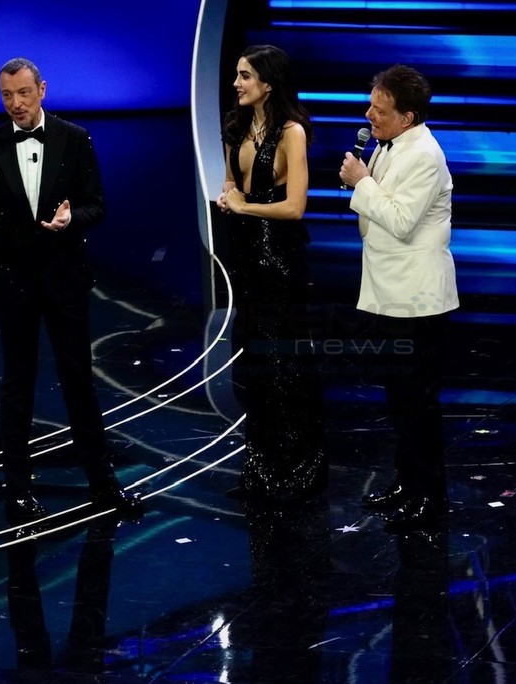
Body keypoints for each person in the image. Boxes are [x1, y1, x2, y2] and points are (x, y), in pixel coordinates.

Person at [0, 57, 140, 525]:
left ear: (42, 90)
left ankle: (103, 485)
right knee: (17, 385)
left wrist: (70, 220)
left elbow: (96, 206)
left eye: (23, 93)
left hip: (64, 279)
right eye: (7, 96)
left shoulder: (74, 138)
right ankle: (19, 493)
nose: (16, 104)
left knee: (78, 380)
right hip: (12, 281)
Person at [338, 64, 459, 532]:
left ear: (407, 116)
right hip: (390, 293)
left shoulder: (425, 154)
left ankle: (429, 497)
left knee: (417, 403)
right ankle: (407, 484)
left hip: (416, 299)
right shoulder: (391, 144)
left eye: (380, 110)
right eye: (370, 106)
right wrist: (365, 179)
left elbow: (402, 220)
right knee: (399, 400)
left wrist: (361, 181)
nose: (369, 116)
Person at [216, 44, 327, 502]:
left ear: (268, 82)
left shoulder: (291, 132)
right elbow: (232, 183)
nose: (237, 83)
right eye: (237, 74)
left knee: (284, 366)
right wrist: (228, 197)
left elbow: (296, 206)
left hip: (280, 261)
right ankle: (260, 467)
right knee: (253, 365)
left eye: (245, 76)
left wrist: (245, 207)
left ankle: (299, 467)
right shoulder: (235, 126)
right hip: (245, 258)